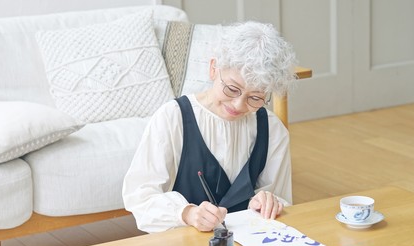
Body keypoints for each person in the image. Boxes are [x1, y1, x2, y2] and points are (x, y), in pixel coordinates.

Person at [122, 21, 297, 233]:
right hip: (184, 242)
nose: (238, 105)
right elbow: (140, 196)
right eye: (232, 89)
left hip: (250, 242)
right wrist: (186, 213)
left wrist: (268, 201)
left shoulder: (271, 129)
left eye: (255, 97)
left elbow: (280, 198)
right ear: (214, 68)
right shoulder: (173, 117)